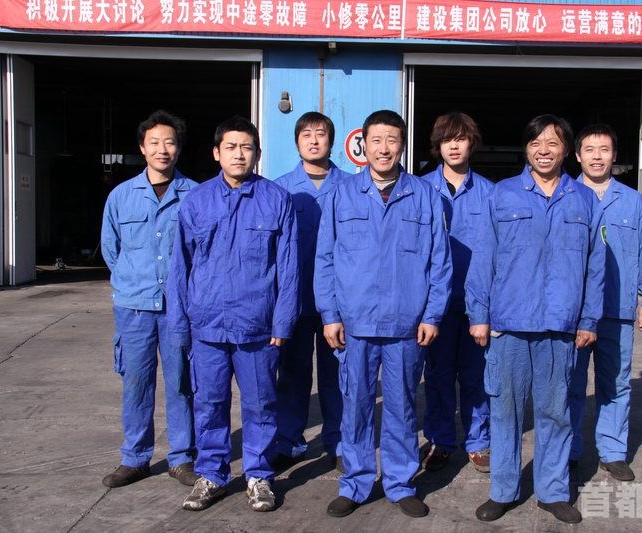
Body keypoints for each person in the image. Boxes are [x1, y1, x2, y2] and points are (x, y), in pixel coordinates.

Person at [466, 114, 605, 524]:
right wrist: (479, 314)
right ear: (526, 149)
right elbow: (483, 258)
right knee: (504, 411)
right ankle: (503, 490)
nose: (543, 150)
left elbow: (595, 267)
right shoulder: (503, 194)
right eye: (535, 143)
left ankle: (553, 491)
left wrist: (588, 320)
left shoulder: (584, 200)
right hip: (508, 323)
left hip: (560, 325)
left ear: (567, 150)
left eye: (553, 143)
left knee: (555, 412)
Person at [315, 110, 452, 519]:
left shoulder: (425, 195)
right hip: (354, 323)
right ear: (364, 145)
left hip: (406, 324)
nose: (384, 148)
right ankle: (355, 483)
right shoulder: (342, 194)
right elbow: (325, 258)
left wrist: (432, 315)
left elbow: (440, 261)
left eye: (392, 140)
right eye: (376, 140)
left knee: (402, 405)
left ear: (402, 145)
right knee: (355, 404)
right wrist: (330, 314)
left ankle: (400, 482)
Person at [167, 116, 299, 512]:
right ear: (216, 153)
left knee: (261, 404)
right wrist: (180, 325)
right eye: (231, 147)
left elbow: (289, 267)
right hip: (207, 324)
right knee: (209, 403)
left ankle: (258, 475)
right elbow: (180, 268)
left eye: (246, 147)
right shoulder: (196, 201)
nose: (239, 154)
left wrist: (283, 321)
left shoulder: (277, 200)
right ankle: (212, 474)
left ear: (257, 153)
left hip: (257, 325)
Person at [100, 110, 197, 489]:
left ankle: (182, 457)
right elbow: (111, 249)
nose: (162, 149)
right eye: (154, 142)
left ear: (179, 148)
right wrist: (133, 280)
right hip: (134, 306)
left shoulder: (194, 195)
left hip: (178, 308)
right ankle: (135, 458)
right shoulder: (121, 196)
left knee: (181, 383)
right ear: (142, 148)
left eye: (169, 142)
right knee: (136, 382)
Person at [568, 124, 642, 482]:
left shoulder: (633, 202)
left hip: (618, 310)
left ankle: (612, 451)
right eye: (590, 150)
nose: (597, 157)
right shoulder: (565, 195)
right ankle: (569, 451)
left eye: (604, 150)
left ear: (614, 156)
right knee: (571, 384)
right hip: (574, 311)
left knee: (616, 383)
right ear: (577, 155)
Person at [273, 112, 349, 470]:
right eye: (306, 134)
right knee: (292, 373)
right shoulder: (280, 189)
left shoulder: (351, 187)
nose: (314, 140)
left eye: (320, 134)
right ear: (297, 142)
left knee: (338, 374)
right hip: (296, 298)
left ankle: (339, 442)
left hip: (339, 300)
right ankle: (288, 440)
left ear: (331, 141)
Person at [419, 112, 493, 473]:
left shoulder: (491, 193)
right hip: (434, 303)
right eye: (447, 139)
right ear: (438, 145)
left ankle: (479, 441)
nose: (453, 146)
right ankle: (440, 440)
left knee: (477, 376)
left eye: (460, 139)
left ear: (471, 143)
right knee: (438, 376)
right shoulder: (419, 189)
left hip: (476, 301)